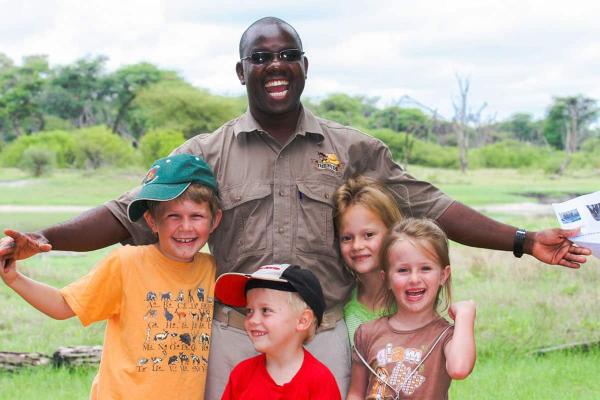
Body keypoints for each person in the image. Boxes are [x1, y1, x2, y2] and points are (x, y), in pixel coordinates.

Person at [0, 15, 590, 400]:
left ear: (304, 66)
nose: (275, 66)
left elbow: (427, 203)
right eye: (261, 57)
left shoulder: (350, 148)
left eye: (288, 55)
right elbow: (124, 214)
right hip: (234, 337)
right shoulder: (207, 152)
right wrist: (40, 238)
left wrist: (519, 239)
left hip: (326, 336)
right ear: (241, 71)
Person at [0, 154, 223, 400]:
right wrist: (14, 279)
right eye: (173, 216)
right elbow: (62, 306)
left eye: (196, 216)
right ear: (151, 221)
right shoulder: (126, 263)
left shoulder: (212, 269)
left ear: (215, 221)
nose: (185, 227)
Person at [347, 218, 476, 399]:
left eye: (425, 268)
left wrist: (465, 315)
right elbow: (355, 394)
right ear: (387, 278)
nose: (414, 279)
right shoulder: (367, 333)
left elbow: (459, 369)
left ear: (443, 275)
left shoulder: (445, 336)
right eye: (403, 270)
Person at [215, 263, 342, 399]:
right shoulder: (241, 375)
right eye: (249, 311)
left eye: (265, 310)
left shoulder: (320, 381)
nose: (252, 320)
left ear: (302, 320)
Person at [334, 175, 403, 346]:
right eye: (347, 238)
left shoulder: (410, 298)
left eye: (369, 235)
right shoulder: (343, 307)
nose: (357, 245)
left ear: (392, 232)